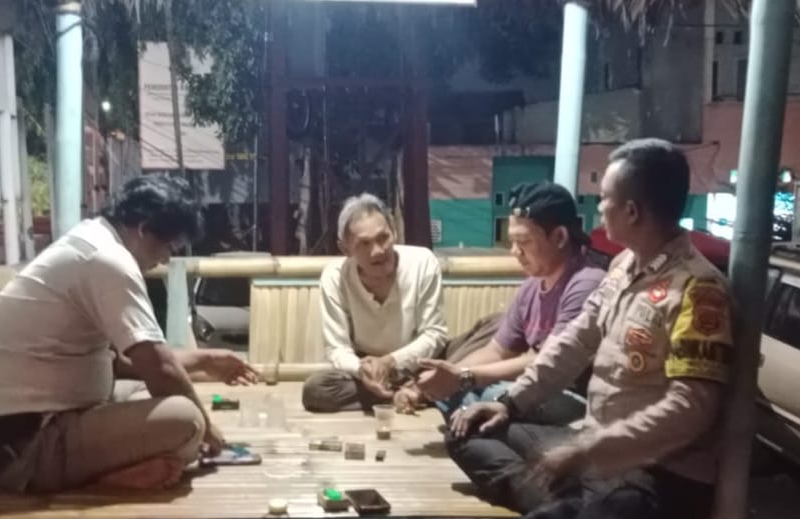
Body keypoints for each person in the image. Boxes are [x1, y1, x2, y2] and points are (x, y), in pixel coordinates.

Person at [447, 138, 734, 519]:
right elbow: (575, 341)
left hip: (655, 474)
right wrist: (509, 404)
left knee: (589, 503)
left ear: (631, 211)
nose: (598, 209)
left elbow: (690, 409)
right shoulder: (623, 267)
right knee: (469, 429)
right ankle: (564, 503)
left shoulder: (697, 289)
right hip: (594, 451)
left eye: (603, 199)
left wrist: (589, 449)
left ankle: (565, 505)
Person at [0, 175, 258, 493]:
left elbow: (123, 363)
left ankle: (128, 465)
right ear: (144, 229)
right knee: (188, 419)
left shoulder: (91, 240)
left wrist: (204, 360)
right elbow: (159, 369)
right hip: (26, 449)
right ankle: (110, 477)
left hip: (7, 442)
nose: (166, 259)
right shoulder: (108, 259)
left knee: (142, 392)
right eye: (168, 246)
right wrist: (209, 432)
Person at [413, 183, 604, 422]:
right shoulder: (532, 286)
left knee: (489, 396)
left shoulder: (587, 284)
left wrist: (464, 377)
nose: (514, 251)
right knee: (454, 393)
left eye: (523, 241)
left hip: (571, 396)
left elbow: (549, 363)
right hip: (530, 388)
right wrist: (448, 378)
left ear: (559, 237)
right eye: (511, 241)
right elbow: (498, 351)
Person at [301, 193, 447, 412]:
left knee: (481, 337)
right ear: (345, 249)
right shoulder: (334, 277)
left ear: (394, 231)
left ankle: (414, 390)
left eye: (383, 238)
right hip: (367, 371)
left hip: (419, 363)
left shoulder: (423, 262)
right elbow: (337, 348)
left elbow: (434, 334)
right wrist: (363, 371)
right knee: (316, 389)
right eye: (364, 243)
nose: (378, 251)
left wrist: (391, 362)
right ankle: (407, 394)